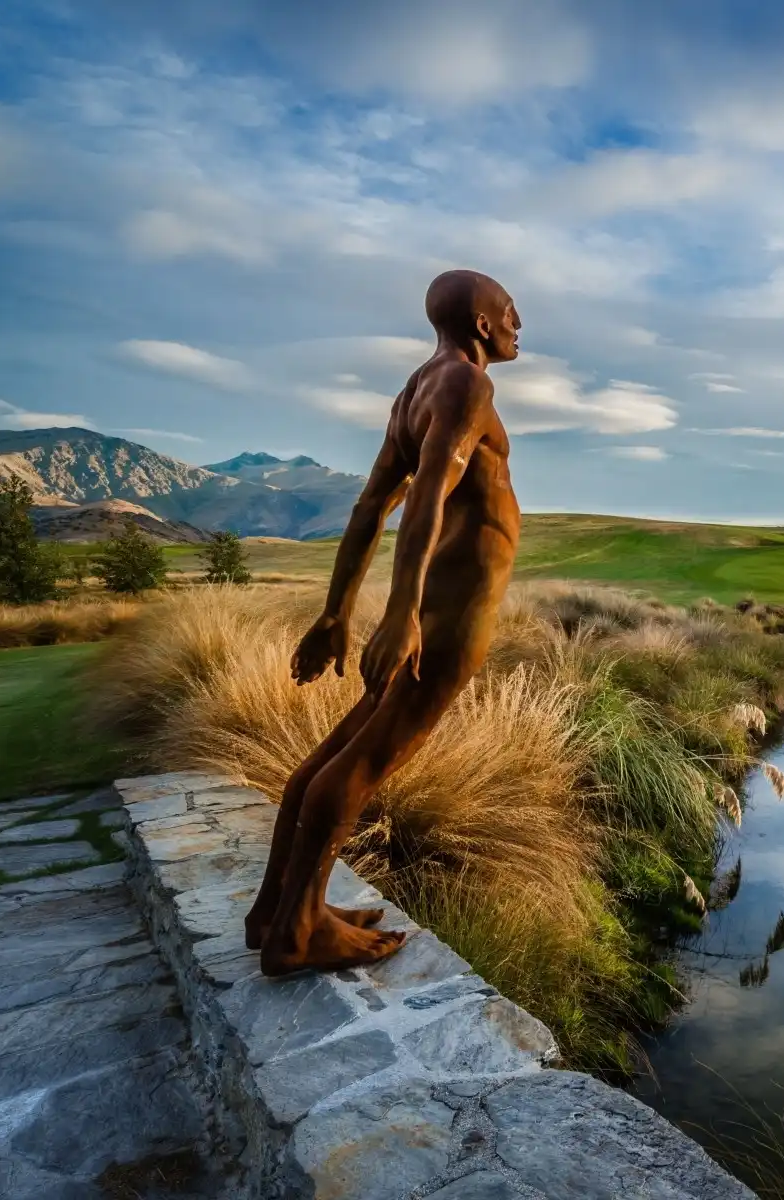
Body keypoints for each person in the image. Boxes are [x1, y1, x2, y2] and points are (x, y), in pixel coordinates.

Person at [242, 269, 522, 974]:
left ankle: (278, 907)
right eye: (513, 315)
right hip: (451, 617)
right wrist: (401, 617)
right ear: (482, 325)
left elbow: (371, 507)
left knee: (341, 750)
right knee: (367, 761)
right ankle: (299, 934)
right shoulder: (466, 385)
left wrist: (336, 614)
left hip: (429, 610)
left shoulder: (416, 390)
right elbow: (422, 499)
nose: (521, 327)